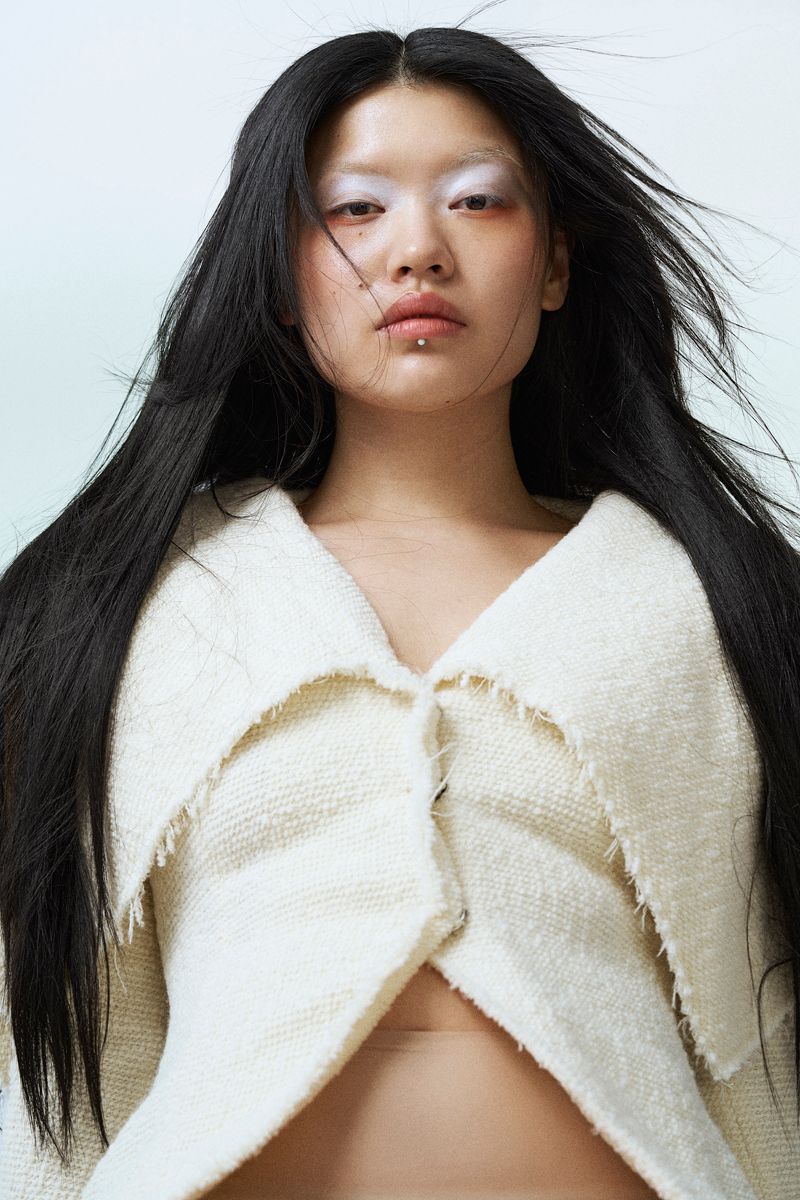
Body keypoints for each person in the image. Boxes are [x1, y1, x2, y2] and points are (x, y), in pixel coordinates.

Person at [1, 22, 799, 1200]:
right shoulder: (129, 603)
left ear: (557, 265)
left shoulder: (702, 601)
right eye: (355, 210)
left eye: (477, 203)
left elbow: (766, 1025)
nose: (417, 250)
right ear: (279, 276)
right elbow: (58, 1061)